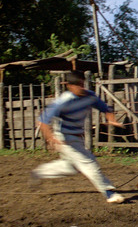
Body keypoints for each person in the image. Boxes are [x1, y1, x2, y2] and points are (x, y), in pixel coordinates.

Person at [30, 71, 125, 204]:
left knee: (70, 168)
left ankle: (39, 172)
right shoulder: (63, 101)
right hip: (64, 138)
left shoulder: (90, 96)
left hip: (77, 138)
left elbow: (105, 109)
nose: (81, 87)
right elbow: (43, 121)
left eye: (82, 84)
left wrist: (112, 120)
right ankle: (109, 193)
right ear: (70, 86)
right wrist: (51, 138)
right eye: (78, 85)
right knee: (89, 163)